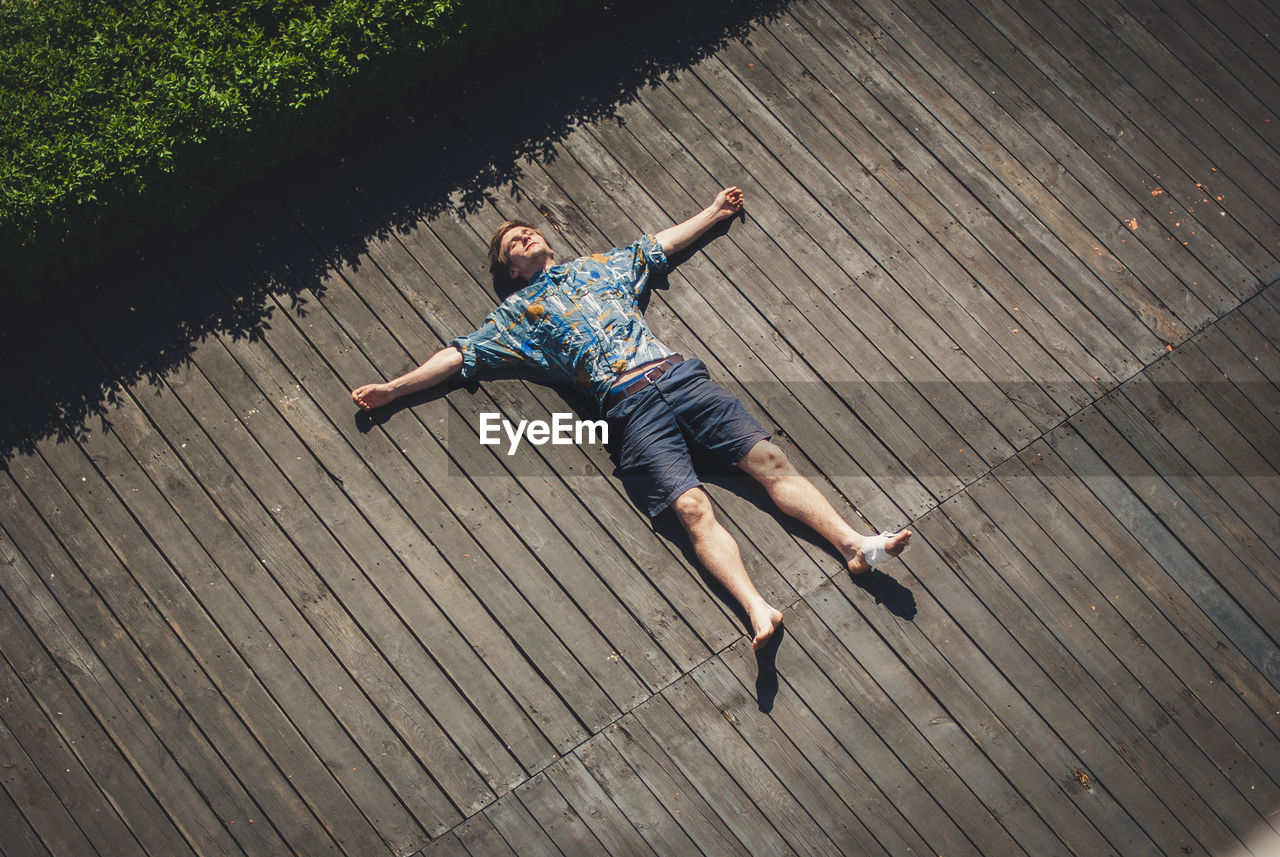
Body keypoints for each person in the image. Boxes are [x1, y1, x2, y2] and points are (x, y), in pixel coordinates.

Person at [351, 186, 911, 650]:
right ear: (512, 271)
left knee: (769, 461)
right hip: (627, 408)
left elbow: (658, 245)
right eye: (508, 246)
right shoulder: (515, 316)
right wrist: (394, 388)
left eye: (524, 231)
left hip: (679, 379)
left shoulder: (601, 268)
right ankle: (758, 610)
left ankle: (854, 544)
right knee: (692, 509)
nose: (519, 238)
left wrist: (713, 213)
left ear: (543, 242)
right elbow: (458, 355)